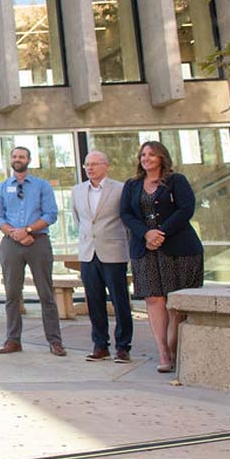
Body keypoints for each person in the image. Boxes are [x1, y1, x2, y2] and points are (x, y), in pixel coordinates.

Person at [119, 141, 204, 373]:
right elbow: (125, 213)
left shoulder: (176, 181)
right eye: (143, 155)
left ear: (161, 158)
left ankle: (175, 347)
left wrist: (161, 233)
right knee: (154, 300)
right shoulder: (132, 185)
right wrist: (146, 233)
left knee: (175, 303)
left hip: (179, 250)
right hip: (145, 251)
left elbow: (186, 209)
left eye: (152, 155)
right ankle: (164, 354)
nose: (146, 158)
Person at [0, 145, 66, 356]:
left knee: (46, 293)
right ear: (11, 160)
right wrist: (14, 233)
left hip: (38, 241)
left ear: (29, 160)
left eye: (22, 156)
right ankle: (13, 340)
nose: (18, 159)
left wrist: (28, 230)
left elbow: (51, 214)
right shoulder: (1, 188)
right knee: (12, 294)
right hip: (10, 242)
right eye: (14, 156)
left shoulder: (42, 186)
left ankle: (55, 341)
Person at [71, 150, 132, 363]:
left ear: (106, 166)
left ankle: (123, 347)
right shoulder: (77, 190)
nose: (89, 168)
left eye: (94, 164)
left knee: (119, 300)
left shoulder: (121, 189)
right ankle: (100, 345)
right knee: (94, 300)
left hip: (113, 252)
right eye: (87, 164)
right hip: (88, 252)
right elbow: (78, 220)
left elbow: (127, 220)